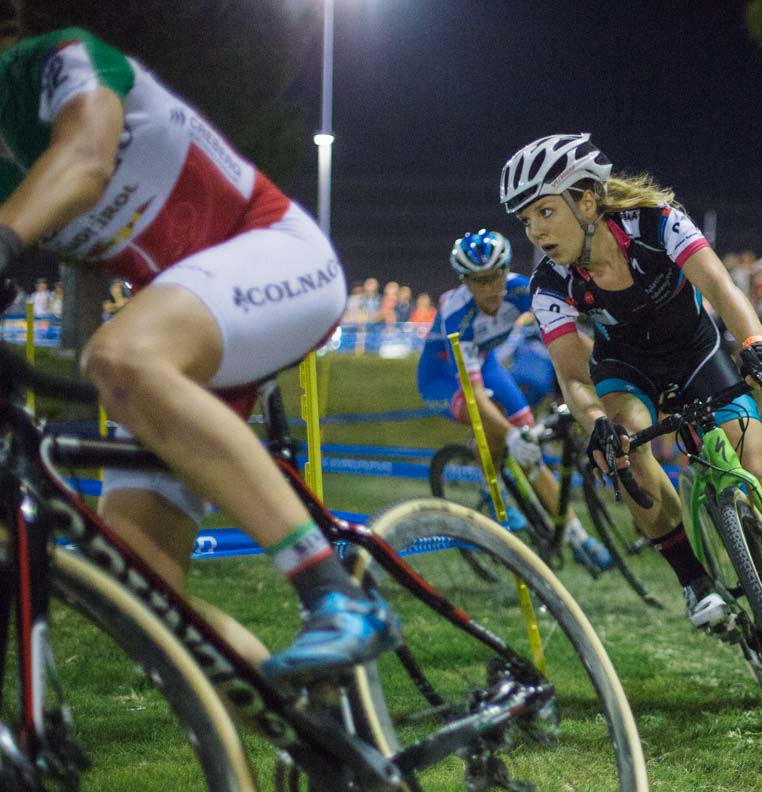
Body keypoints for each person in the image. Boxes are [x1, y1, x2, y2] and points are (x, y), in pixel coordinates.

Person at [0, 27, 396, 678]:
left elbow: (87, 158)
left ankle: (336, 595)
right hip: (186, 327)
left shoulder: (57, 63)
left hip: (270, 251)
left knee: (116, 356)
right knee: (137, 592)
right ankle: (324, 750)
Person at [500, 132, 762, 647]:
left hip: (694, 349)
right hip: (626, 366)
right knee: (628, 448)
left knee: (752, 464)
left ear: (586, 199)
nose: (536, 231)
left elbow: (721, 287)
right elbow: (572, 376)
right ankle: (693, 580)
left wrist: (756, 342)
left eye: (546, 212)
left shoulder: (657, 222)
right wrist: (596, 425)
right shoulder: (550, 283)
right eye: (526, 220)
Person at [415, 228, 611, 570]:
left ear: (506, 271)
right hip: (441, 379)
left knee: (529, 450)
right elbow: (474, 397)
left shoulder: (521, 289)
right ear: (465, 281)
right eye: (478, 281)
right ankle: (488, 488)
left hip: (486, 364)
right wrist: (508, 435)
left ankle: (577, 535)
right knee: (492, 425)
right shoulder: (456, 317)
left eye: (495, 278)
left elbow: (565, 331)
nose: (489, 289)